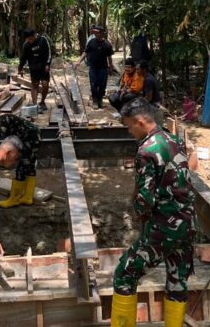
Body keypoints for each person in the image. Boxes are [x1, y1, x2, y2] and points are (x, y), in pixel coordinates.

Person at [112, 98, 196, 327]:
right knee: (177, 281)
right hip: (187, 225)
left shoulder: (146, 150)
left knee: (124, 274)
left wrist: (140, 214)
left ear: (140, 122)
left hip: (163, 228)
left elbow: (145, 198)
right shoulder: (174, 139)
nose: (129, 131)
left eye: (129, 126)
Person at [0, 116, 41, 208]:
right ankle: (28, 197)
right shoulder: (3, 121)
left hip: (30, 138)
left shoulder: (3, 121)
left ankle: (14, 199)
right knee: (30, 167)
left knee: (22, 167)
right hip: (33, 137)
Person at [75, 25, 114, 108]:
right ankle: (95, 101)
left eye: (97, 32)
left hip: (103, 68)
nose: (96, 34)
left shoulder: (107, 44)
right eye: (95, 32)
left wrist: (111, 67)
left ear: (102, 33)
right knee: (94, 84)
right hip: (93, 67)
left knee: (102, 85)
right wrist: (79, 61)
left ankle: (100, 100)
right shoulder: (91, 42)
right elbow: (85, 52)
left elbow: (109, 57)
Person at [18, 28, 52, 111]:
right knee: (34, 85)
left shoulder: (43, 40)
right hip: (33, 67)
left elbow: (49, 53)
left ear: (34, 35)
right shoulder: (26, 45)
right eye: (27, 39)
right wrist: (20, 68)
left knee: (45, 84)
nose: (29, 40)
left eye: (30, 38)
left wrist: (48, 64)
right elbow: (23, 58)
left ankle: (42, 102)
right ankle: (34, 105)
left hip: (44, 67)